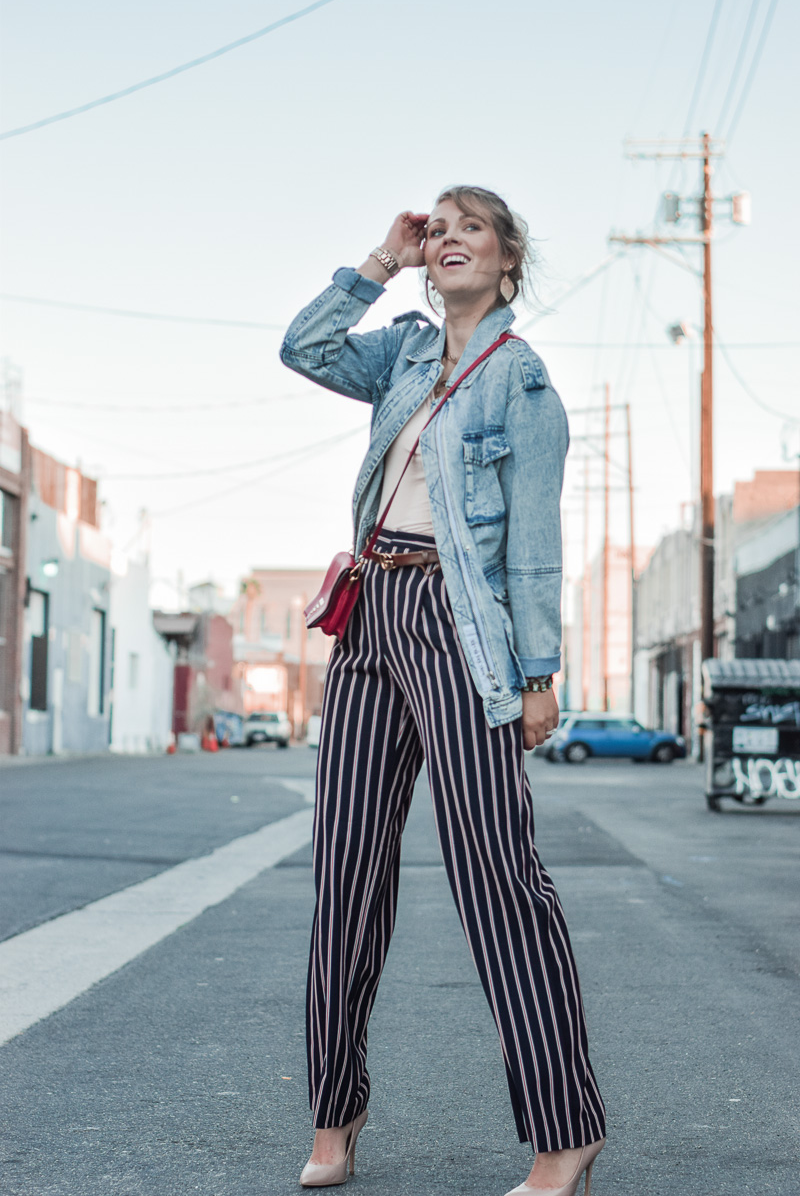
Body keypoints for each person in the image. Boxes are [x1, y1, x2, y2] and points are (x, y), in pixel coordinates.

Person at [279, 186, 606, 1196]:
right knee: (344, 879)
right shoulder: (407, 352)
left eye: (473, 228)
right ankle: (335, 1114)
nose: (450, 240)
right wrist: (377, 264)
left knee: (495, 879)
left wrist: (539, 672)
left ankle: (564, 1131)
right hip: (371, 615)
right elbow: (305, 347)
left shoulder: (522, 381)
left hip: (464, 632)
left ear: (508, 261)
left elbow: (536, 545)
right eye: (440, 229)